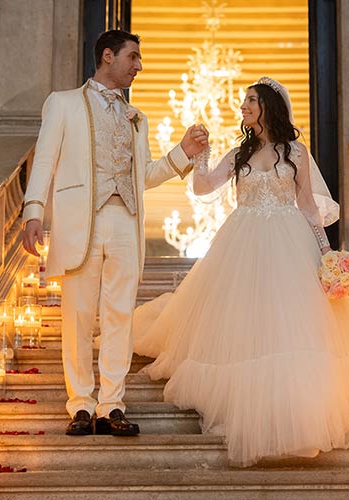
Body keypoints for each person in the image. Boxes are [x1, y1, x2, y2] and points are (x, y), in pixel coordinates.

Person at [132, 77, 349, 465]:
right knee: (245, 317)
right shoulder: (238, 154)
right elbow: (203, 188)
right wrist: (201, 157)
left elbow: (308, 205)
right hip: (242, 242)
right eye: (244, 102)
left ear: (268, 108)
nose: (243, 107)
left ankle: (295, 407)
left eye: (251, 101)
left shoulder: (296, 152)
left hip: (289, 241)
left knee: (292, 318)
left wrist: (327, 253)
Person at [21, 29, 208, 437]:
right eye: (133, 57)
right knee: (78, 315)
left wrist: (182, 154)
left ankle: (112, 404)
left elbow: (144, 175)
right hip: (80, 221)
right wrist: (33, 210)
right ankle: (81, 404)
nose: (139, 66)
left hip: (125, 220)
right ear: (108, 56)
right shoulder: (64, 103)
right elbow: (45, 160)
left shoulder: (137, 118)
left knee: (120, 314)